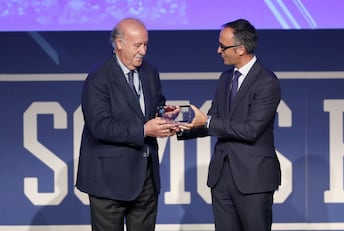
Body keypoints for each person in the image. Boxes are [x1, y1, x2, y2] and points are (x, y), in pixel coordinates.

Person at [177, 18, 281, 231]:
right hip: (222, 178)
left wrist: (207, 121)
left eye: (223, 47)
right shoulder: (225, 79)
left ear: (241, 49)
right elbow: (214, 120)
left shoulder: (266, 82)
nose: (218, 50)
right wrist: (180, 125)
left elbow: (251, 130)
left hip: (253, 179)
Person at [76, 18, 177, 231]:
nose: (143, 51)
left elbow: (154, 106)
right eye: (137, 45)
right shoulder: (99, 77)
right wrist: (143, 130)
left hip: (145, 179)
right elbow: (100, 126)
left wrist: (165, 114)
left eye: (146, 44)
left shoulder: (150, 72)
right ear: (119, 43)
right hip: (108, 181)